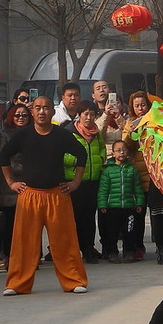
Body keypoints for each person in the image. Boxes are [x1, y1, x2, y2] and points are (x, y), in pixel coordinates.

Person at [0, 96, 89, 295]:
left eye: (46, 108)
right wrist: (11, 182)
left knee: (64, 241)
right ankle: (17, 283)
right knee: (24, 242)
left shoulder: (61, 135)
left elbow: (82, 154)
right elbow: (3, 156)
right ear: (32, 112)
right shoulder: (23, 135)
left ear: (52, 111)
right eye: (38, 108)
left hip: (57, 195)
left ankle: (74, 280)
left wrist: (75, 182)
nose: (42, 112)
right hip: (29, 196)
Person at [123, 91, 163, 263]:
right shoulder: (130, 123)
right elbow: (125, 147)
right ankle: (137, 247)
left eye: (143, 105)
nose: (140, 108)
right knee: (138, 214)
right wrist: (131, 133)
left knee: (160, 213)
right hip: (138, 176)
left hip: (157, 175)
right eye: (136, 106)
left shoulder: (158, 121)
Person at [66, 101, 107, 264]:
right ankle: (75, 249)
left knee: (89, 217)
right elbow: (62, 153)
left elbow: (102, 149)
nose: (89, 118)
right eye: (86, 114)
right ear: (79, 115)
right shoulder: (70, 132)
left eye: (92, 114)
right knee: (75, 217)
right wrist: (75, 161)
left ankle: (89, 247)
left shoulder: (96, 133)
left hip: (93, 181)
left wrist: (101, 159)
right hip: (75, 182)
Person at [0, 104, 31, 266]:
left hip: (30, 183)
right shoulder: (4, 135)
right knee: (10, 224)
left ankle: (29, 256)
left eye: (24, 115)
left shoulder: (33, 133)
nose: (21, 118)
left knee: (28, 225)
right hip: (10, 184)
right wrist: (22, 168)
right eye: (17, 115)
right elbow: (3, 158)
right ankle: (8, 255)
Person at [98, 140, 145, 261]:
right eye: (118, 150)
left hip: (129, 207)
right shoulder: (107, 171)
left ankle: (129, 251)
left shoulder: (132, 170)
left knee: (129, 231)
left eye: (124, 150)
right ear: (113, 153)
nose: (122, 153)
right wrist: (102, 204)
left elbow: (137, 188)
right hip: (112, 207)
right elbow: (103, 190)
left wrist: (139, 202)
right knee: (112, 231)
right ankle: (112, 252)